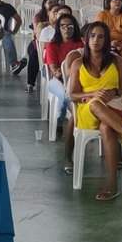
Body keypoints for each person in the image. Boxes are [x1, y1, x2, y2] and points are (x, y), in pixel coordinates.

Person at [68, 22, 122, 201]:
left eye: (101, 36)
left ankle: (112, 182)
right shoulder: (78, 63)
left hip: (114, 109)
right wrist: (93, 94)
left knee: (106, 128)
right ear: (86, 39)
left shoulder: (117, 61)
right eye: (92, 36)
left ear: (107, 40)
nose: (96, 40)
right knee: (95, 104)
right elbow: (73, 95)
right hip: (87, 111)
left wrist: (114, 91)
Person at [45, 13, 84, 173]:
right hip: (58, 81)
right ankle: (60, 121)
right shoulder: (53, 45)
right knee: (62, 95)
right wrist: (60, 73)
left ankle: (75, 124)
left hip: (75, 81)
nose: (67, 29)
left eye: (70, 26)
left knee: (73, 99)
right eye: (63, 26)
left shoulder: (80, 44)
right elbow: (53, 68)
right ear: (58, 28)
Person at [25, 0, 59, 92]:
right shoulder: (38, 17)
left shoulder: (62, 17)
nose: (52, 4)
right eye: (50, 2)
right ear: (44, 4)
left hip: (54, 45)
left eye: (55, 2)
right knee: (34, 54)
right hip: (37, 43)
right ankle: (30, 83)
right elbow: (39, 36)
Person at [95, 0, 122, 76]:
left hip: (121, 44)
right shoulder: (102, 15)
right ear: (109, 2)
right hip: (105, 43)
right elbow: (98, 32)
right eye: (115, 0)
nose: (118, 2)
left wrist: (121, 43)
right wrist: (109, 43)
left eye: (120, 0)